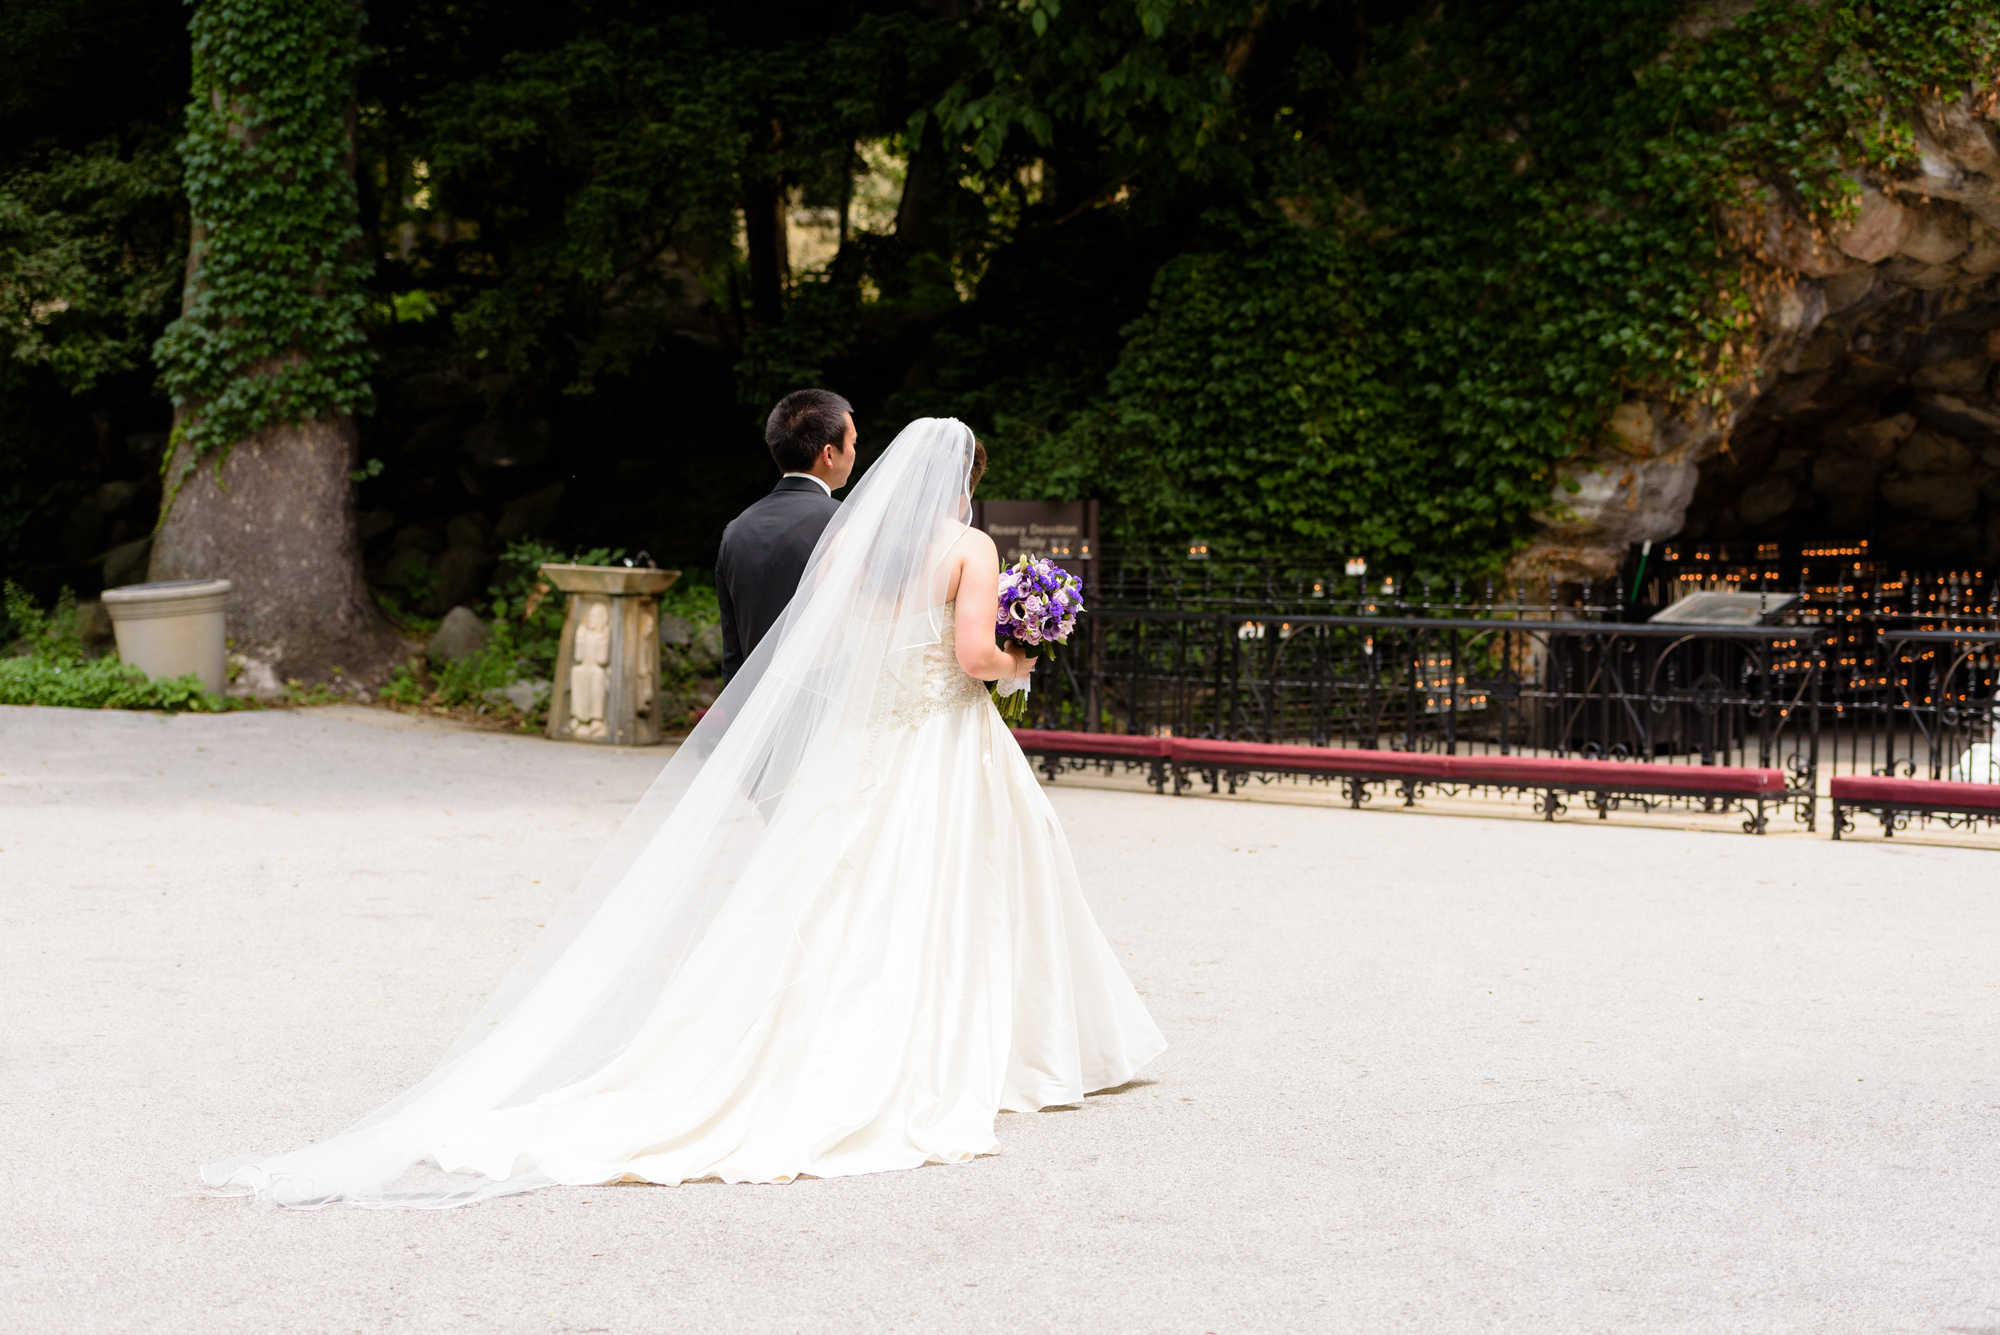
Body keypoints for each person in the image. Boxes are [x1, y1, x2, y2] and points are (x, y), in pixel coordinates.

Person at [202, 417, 1166, 1208]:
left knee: (845, 891)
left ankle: (851, 1034)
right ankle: (1000, 1048)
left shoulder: (857, 549)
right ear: (966, 481)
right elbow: (971, 661)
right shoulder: (970, 547)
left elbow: (826, 644)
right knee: (971, 878)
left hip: (873, 744)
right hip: (945, 743)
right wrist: (1028, 649)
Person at [714, 389, 855, 680]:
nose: (855, 451)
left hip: (753, 710)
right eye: (853, 442)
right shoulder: (845, 522)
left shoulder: (736, 530)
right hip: (824, 707)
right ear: (829, 453)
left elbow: (733, 651)